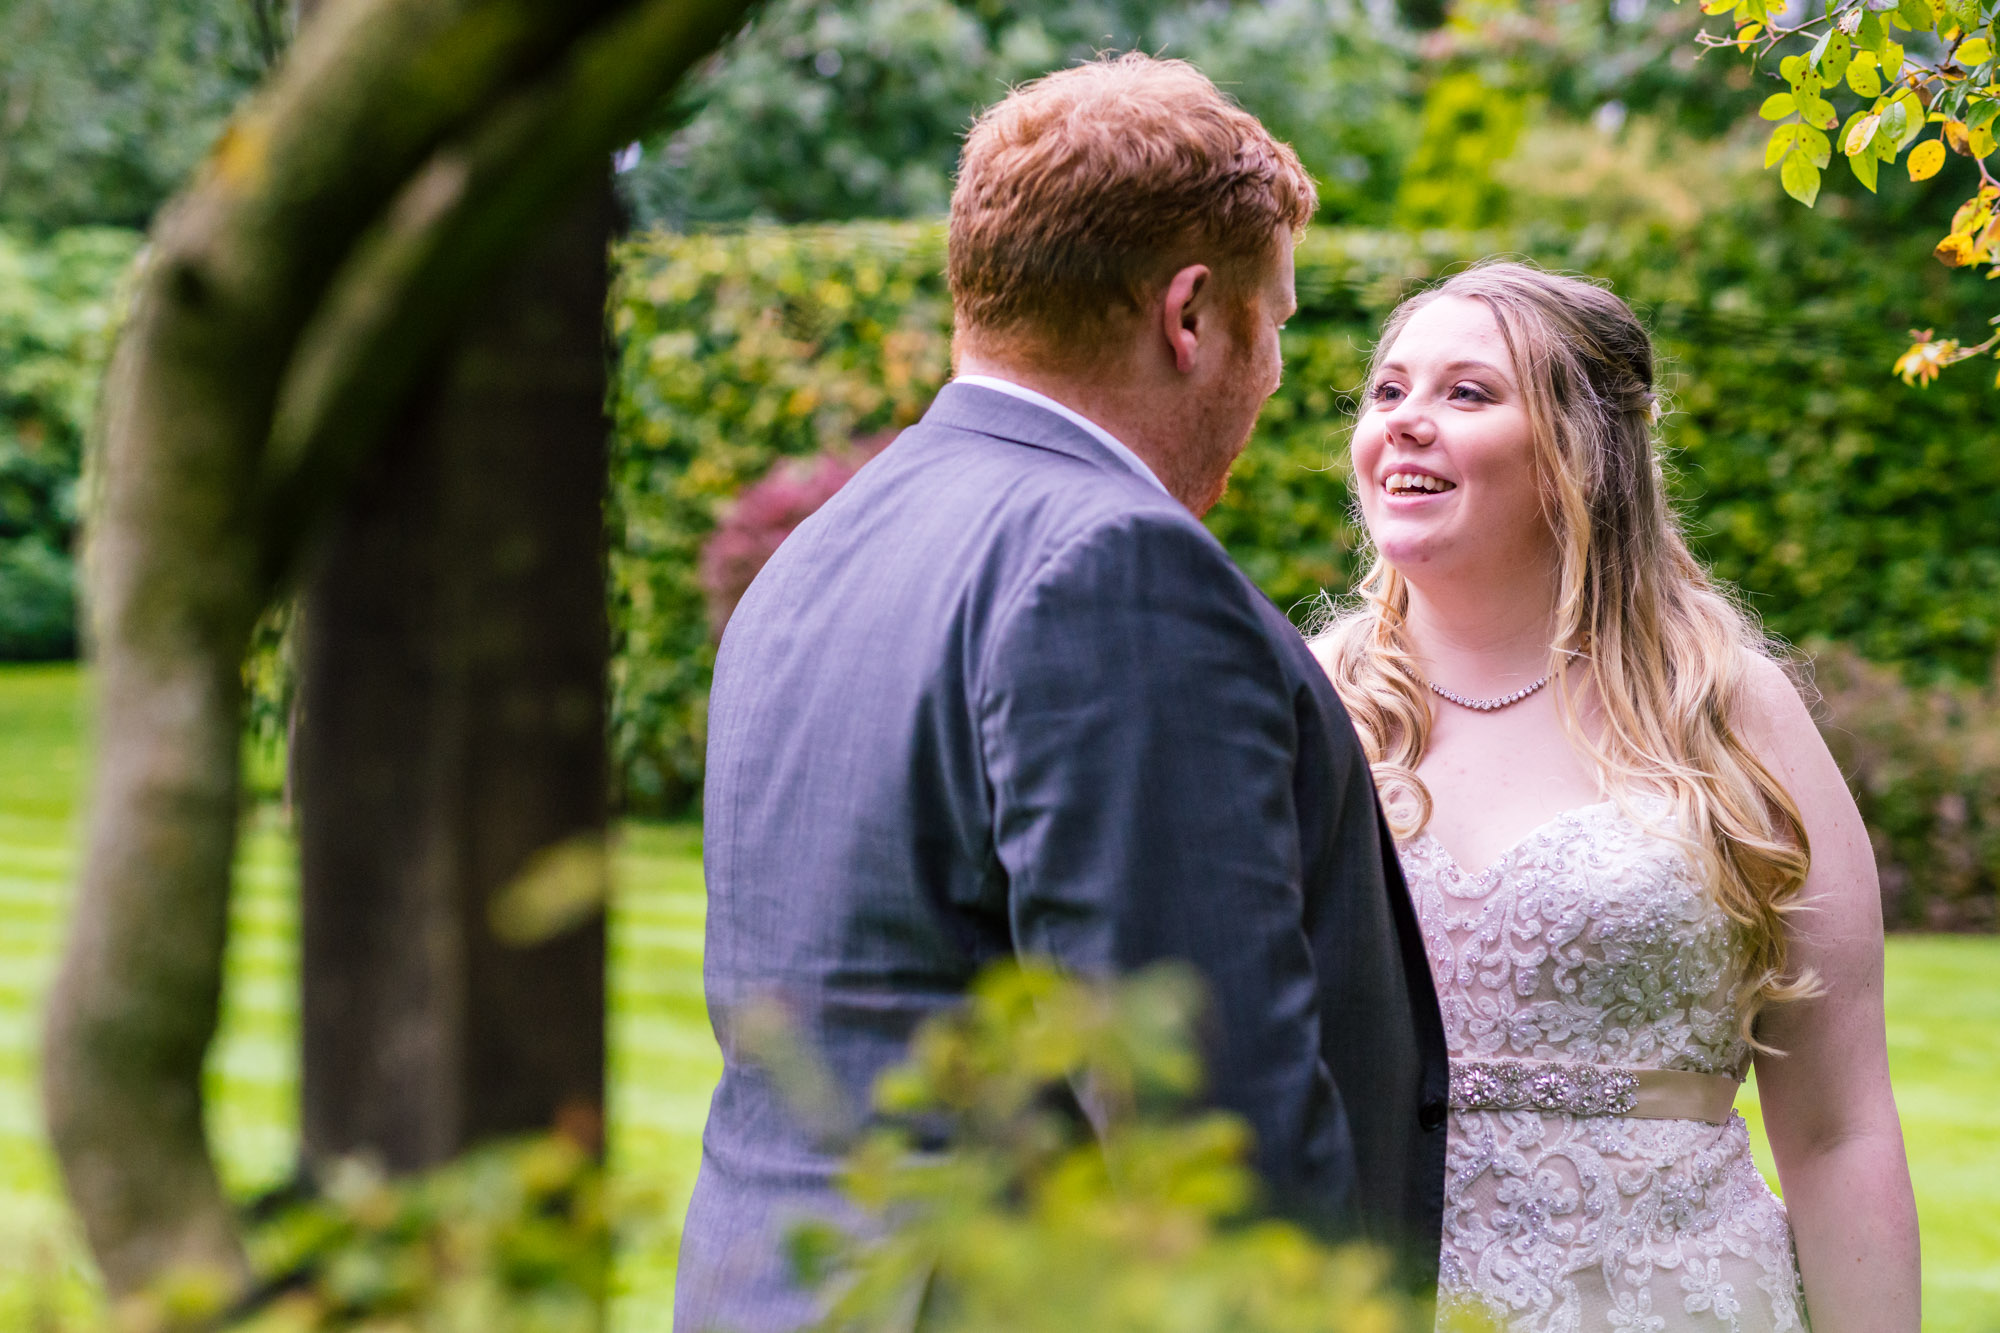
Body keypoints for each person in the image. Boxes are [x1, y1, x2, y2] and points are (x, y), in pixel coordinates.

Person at [675, 54, 1448, 1333]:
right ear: (1190, 315)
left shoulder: (820, 546)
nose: (1267, 379)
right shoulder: (1114, 567)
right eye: (1275, 322)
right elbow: (1199, 1102)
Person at [1314, 261, 1921, 1332]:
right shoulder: (1310, 708)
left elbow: (1836, 1127)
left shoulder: (1724, 707)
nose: (1404, 422)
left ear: (1581, 452)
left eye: (1465, 393)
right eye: (1386, 391)